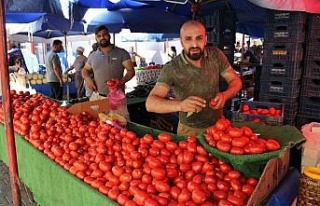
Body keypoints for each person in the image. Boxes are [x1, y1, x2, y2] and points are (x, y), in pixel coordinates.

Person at [145, 20, 242, 137]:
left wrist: (225, 95)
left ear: (206, 39)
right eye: (188, 39)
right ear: (181, 41)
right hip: (189, 131)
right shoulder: (172, 68)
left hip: (219, 126)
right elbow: (150, 104)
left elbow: (235, 81)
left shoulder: (216, 55)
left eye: (199, 38)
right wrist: (180, 105)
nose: (195, 45)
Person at [82, 25, 135, 99]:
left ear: (109, 36)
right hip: (98, 96)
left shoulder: (122, 53)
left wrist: (121, 82)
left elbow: (131, 71)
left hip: (117, 96)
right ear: (96, 39)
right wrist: (87, 78)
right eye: (99, 36)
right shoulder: (93, 56)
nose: (102, 38)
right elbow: (85, 70)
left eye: (104, 35)